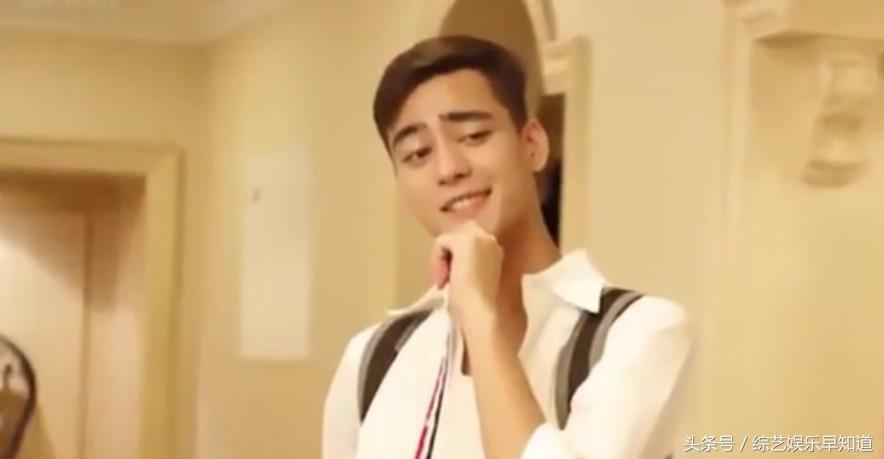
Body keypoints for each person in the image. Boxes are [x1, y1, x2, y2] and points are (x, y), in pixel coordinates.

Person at [323, 35, 692, 459]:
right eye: (417, 154)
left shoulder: (638, 334)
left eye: (473, 136)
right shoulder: (372, 361)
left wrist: (479, 317)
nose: (448, 168)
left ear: (532, 144)